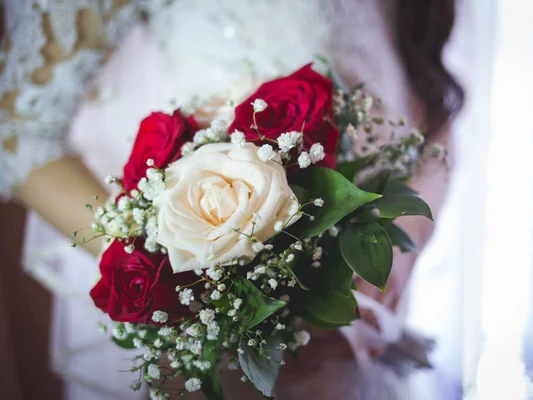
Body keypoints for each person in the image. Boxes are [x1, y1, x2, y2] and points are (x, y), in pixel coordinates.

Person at [0, 0, 464, 398]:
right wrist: (171, 276)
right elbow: (17, 132)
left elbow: (428, 125)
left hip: (362, 340)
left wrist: (397, 256)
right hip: (237, 339)